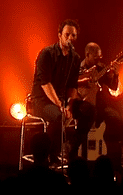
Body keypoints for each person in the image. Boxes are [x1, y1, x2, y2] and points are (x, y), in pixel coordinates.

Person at [30, 19, 94, 164]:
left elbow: (72, 86)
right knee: (59, 116)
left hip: (63, 101)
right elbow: (45, 84)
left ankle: (72, 148)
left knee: (89, 110)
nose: (70, 38)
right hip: (43, 101)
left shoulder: (75, 58)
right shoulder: (46, 54)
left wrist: (70, 105)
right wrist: (61, 105)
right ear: (59, 35)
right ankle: (52, 155)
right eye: (67, 34)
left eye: (73, 35)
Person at [77, 42, 123, 170]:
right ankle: (83, 165)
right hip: (84, 109)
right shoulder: (78, 69)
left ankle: (113, 160)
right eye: (95, 57)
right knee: (83, 132)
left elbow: (113, 87)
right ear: (87, 55)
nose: (98, 60)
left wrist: (115, 74)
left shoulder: (102, 68)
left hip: (101, 108)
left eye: (100, 57)